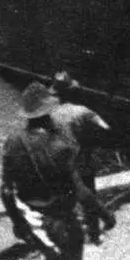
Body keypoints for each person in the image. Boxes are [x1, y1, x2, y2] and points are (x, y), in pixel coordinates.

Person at [1, 81, 116, 260]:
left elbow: (6, 192)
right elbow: (82, 192)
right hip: (63, 223)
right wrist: (105, 214)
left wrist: (19, 224)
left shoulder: (13, 142)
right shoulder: (60, 145)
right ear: (48, 113)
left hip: (35, 225)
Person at [50, 71, 113, 244]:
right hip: (83, 160)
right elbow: (105, 128)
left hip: (62, 164)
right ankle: (95, 233)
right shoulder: (83, 111)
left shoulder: (50, 116)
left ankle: (69, 235)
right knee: (89, 194)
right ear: (73, 91)